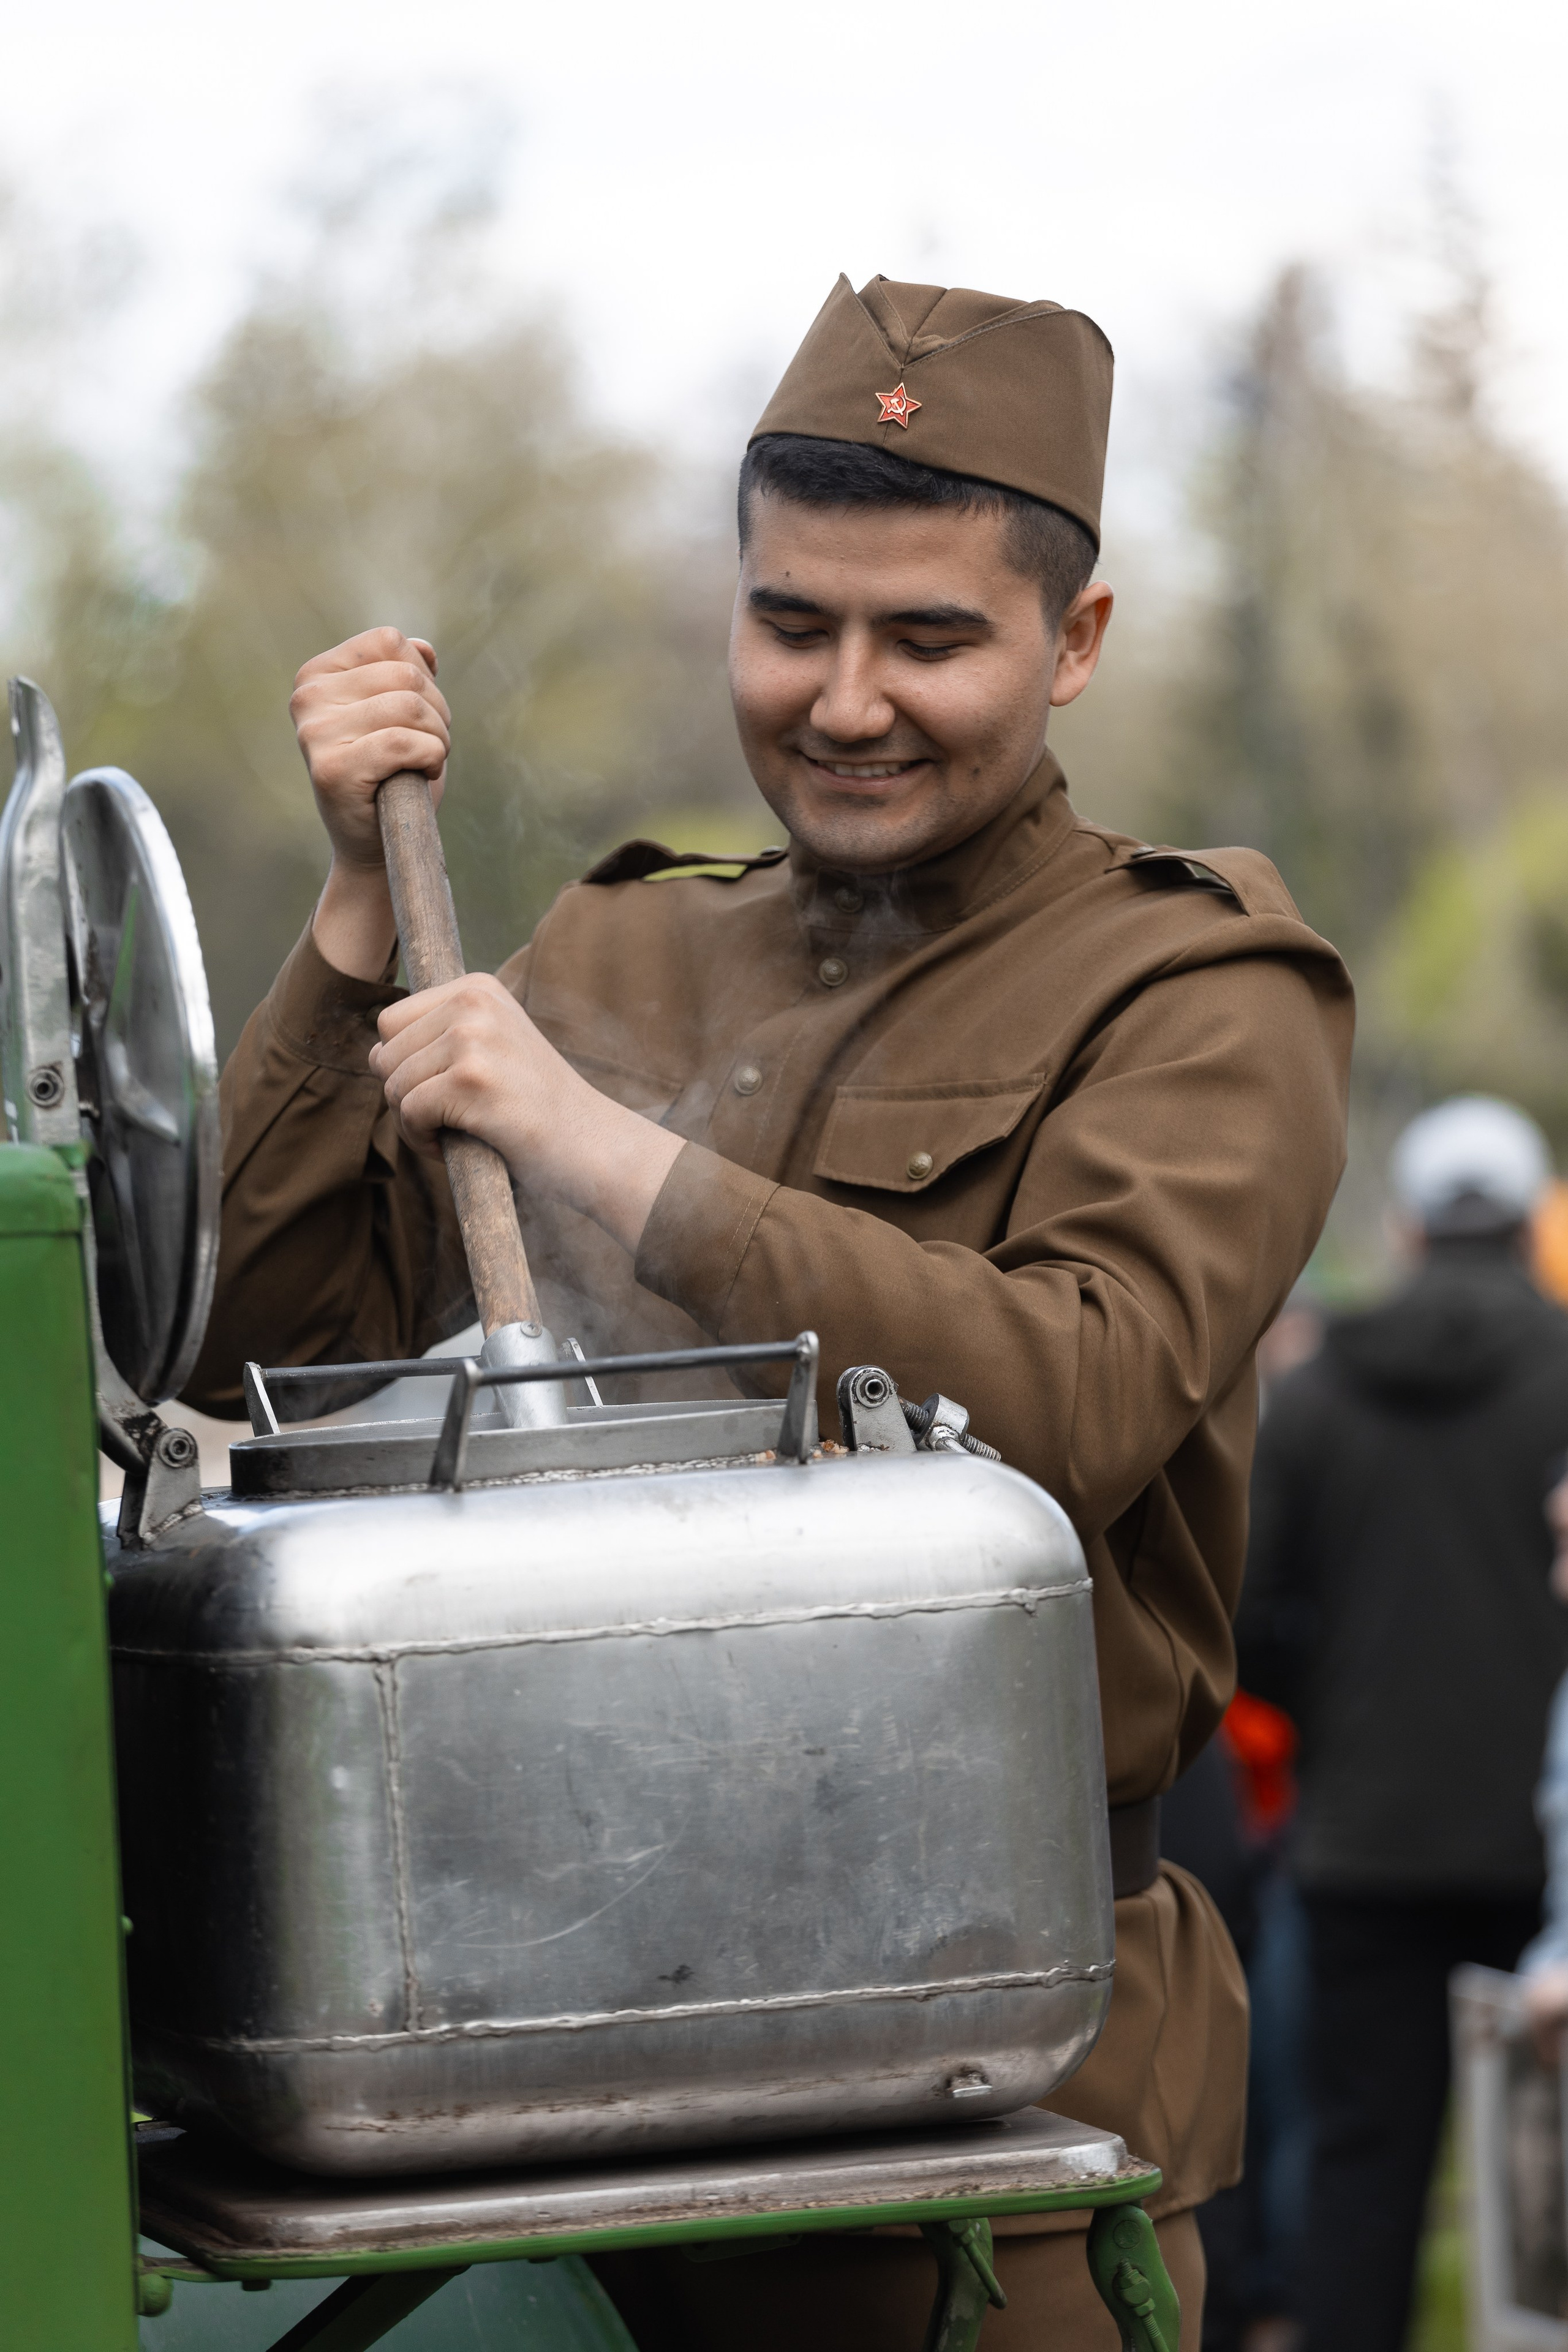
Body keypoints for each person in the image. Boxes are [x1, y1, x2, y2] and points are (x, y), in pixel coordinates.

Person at [188, 272, 1353, 2349]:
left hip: (982, 2131)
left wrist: (612, 1154)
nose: (843, 697)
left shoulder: (1200, 998)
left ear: (1073, 645)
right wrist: (356, 920)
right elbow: (274, 1370)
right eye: (792, 621)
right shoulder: (622, 946)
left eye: (929, 638)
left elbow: (1074, 1402)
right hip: (521, 2086)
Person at [1236, 1095, 1568, 2352]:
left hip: (1362, 1843)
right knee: (1546, 2183)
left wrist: (1333, 1728)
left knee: (1362, 2165)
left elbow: (1248, 1607)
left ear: (1409, 1228)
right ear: (1530, 1221)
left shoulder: (1318, 1391)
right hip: (1543, 1849)